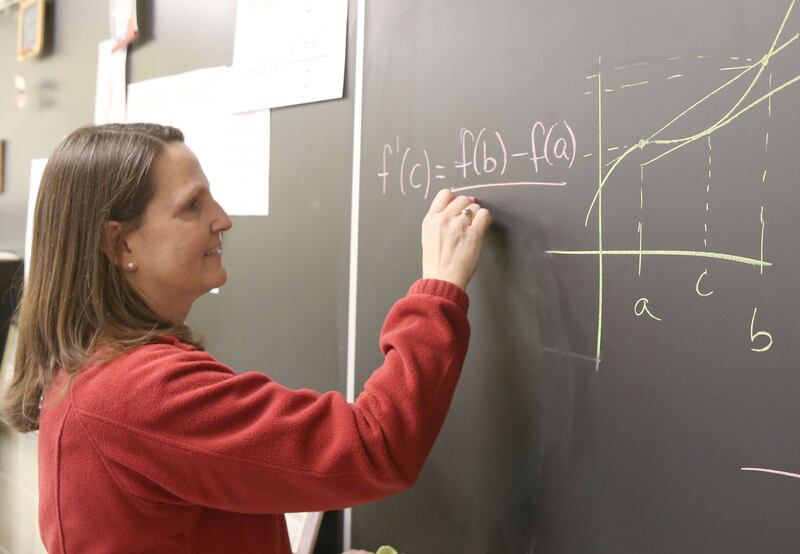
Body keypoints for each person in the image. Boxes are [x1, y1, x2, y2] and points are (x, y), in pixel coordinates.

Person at [1, 123, 491, 553]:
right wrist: (439, 289)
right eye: (192, 206)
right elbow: (374, 447)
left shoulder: (91, 370)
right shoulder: (139, 394)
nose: (223, 218)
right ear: (120, 244)